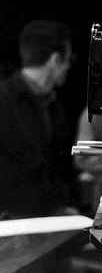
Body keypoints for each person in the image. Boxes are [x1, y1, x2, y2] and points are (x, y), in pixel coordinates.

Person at [0, 20, 77, 219]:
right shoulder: (4, 100)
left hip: (45, 217)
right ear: (55, 60)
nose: (69, 67)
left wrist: (61, 208)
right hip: (11, 222)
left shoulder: (53, 103)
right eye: (69, 59)